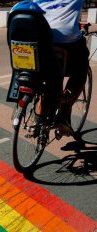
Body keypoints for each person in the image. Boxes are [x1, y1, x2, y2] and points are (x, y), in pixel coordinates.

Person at [33, 0, 89, 136]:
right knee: (82, 68)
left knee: (47, 78)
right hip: (67, 45)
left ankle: (39, 120)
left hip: (40, 44)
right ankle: (64, 108)